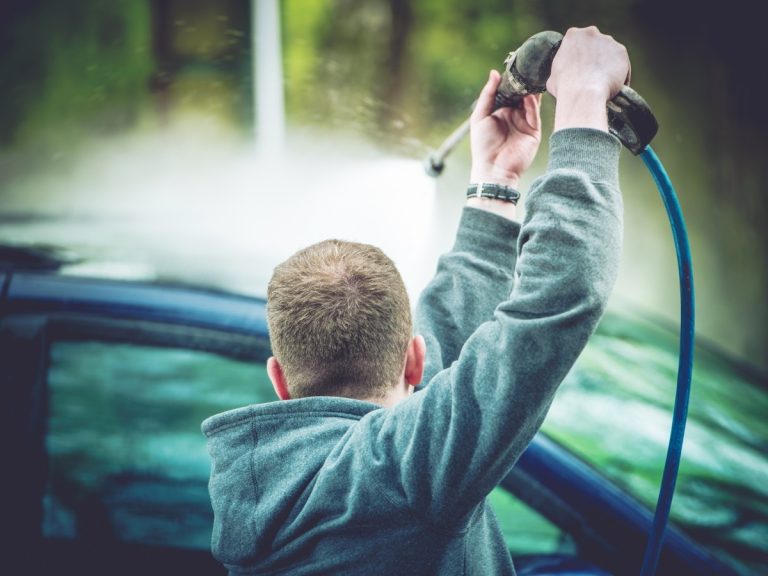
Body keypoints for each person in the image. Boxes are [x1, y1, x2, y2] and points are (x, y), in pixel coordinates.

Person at [202, 26, 628, 575]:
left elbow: (446, 364)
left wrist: (494, 182)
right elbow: (557, 300)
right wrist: (583, 102)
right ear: (413, 360)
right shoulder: (400, 479)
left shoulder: (260, 487)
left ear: (279, 379)